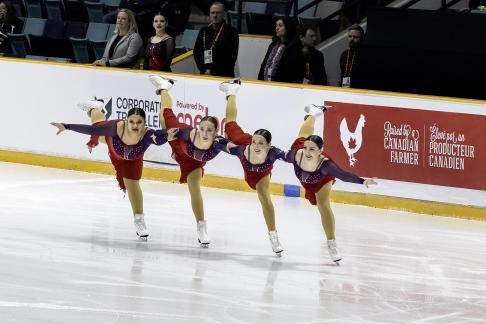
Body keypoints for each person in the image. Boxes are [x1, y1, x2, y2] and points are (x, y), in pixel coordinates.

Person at [50, 101, 176, 239]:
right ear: (126, 121)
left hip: (133, 159)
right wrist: (66, 126)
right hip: (114, 146)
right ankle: (94, 108)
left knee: (133, 186)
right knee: (98, 127)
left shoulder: (148, 134)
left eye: (139, 122)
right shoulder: (116, 128)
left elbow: (164, 135)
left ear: (144, 123)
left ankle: (139, 220)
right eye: (131, 121)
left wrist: (169, 135)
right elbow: (92, 130)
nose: (135, 125)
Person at [284, 104, 377, 263]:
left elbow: (343, 175)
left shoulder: (326, 166)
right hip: (305, 175)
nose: (307, 152)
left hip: (321, 179)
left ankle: (331, 243)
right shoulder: (296, 153)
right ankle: (314, 113)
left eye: (312, 149)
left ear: (320, 151)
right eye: (306, 148)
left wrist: (362, 181)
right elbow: (276, 154)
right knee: (304, 134)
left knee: (323, 203)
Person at [148, 74, 229, 247]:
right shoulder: (185, 133)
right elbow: (163, 132)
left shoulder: (217, 143)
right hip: (178, 142)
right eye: (202, 129)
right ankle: (164, 88)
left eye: (209, 130)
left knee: (194, 188)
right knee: (165, 115)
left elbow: (237, 148)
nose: (204, 133)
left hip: (193, 164)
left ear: (215, 132)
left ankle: (201, 226)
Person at [218, 78, 285, 256]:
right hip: (245, 161)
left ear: (269, 146)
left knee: (264, 197)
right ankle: (231, 91)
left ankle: (273, 235)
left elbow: (292, 157)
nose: (256, 146)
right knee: (230, 125)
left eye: (261, 144)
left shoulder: (272, 153)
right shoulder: (244, 146)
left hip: (261, 175)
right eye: (254, 142)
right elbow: (219, 143)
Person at [193, 1, 239, 77]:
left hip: (223, 76)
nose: (215, 15)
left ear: (224, 14)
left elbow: (231, 58)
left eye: (218, 13)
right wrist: (204, 70)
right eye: (212, 13)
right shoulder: (204, 31)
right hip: (205, 74)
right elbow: (197, 53)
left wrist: (212, 71)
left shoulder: (232, 32)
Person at [258, 17, 305, 83]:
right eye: (276, 25)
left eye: (280, 25)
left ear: (288, 27)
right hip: (267, 82)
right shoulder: (273, 44)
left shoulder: (294, 47)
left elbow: (293, 72)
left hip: (284, 86)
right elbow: (264, 64)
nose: (277, 28)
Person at [339, 24, 364, 88]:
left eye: (355, 37)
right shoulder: (344, 54)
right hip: (345, 90)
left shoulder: (365, 56)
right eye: (350, 36)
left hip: (360, 91)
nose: (352, 39)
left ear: (362, 39)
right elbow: (342, 74)